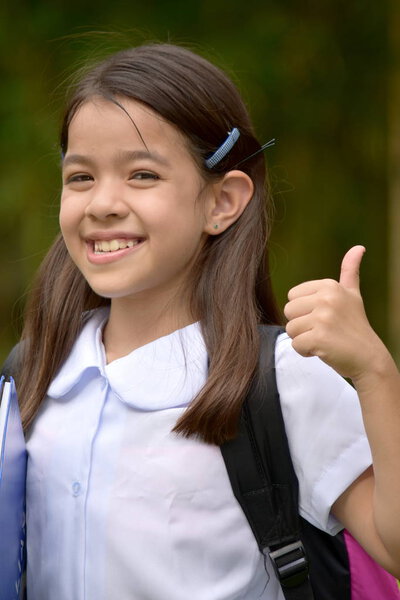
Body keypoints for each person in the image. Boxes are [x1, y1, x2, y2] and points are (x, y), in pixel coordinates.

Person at [12, 43, 399, 599]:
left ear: (222, 202)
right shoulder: (35, 374)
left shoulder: (277, 379)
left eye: (142, 175)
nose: (102, 203)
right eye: (80, 178)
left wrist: (375, 372)